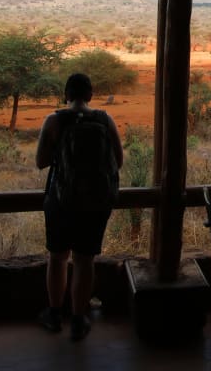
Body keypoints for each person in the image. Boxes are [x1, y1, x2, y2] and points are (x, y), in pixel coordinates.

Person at [36, 72, 123, 341]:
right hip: (95, 203)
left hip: (61, 201)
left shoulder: (54, 120)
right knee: (85, 261)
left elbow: (40, 161)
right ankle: (78, 318)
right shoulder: (105, 119)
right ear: (90, 95)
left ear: (66, 95)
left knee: (58, 257)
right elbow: (118, 161)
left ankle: (54, 314)